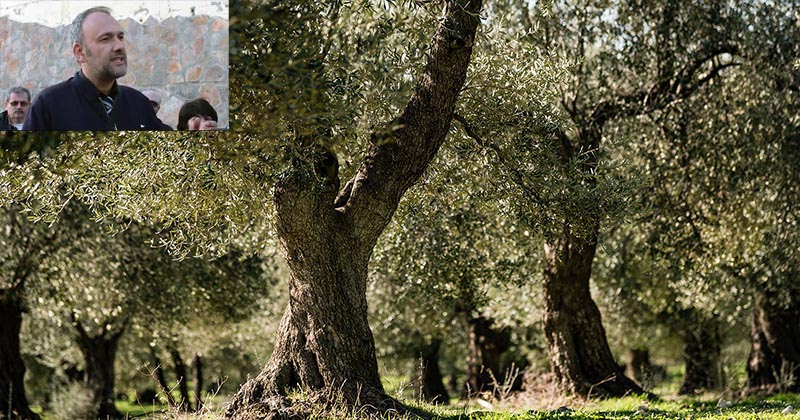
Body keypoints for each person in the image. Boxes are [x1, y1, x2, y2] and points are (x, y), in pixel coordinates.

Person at [23, 6, 167, 130]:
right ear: (80, 52)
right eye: (105, 39)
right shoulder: (49, 105)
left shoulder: (138, 103)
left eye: (120, 37)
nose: (119, 46)